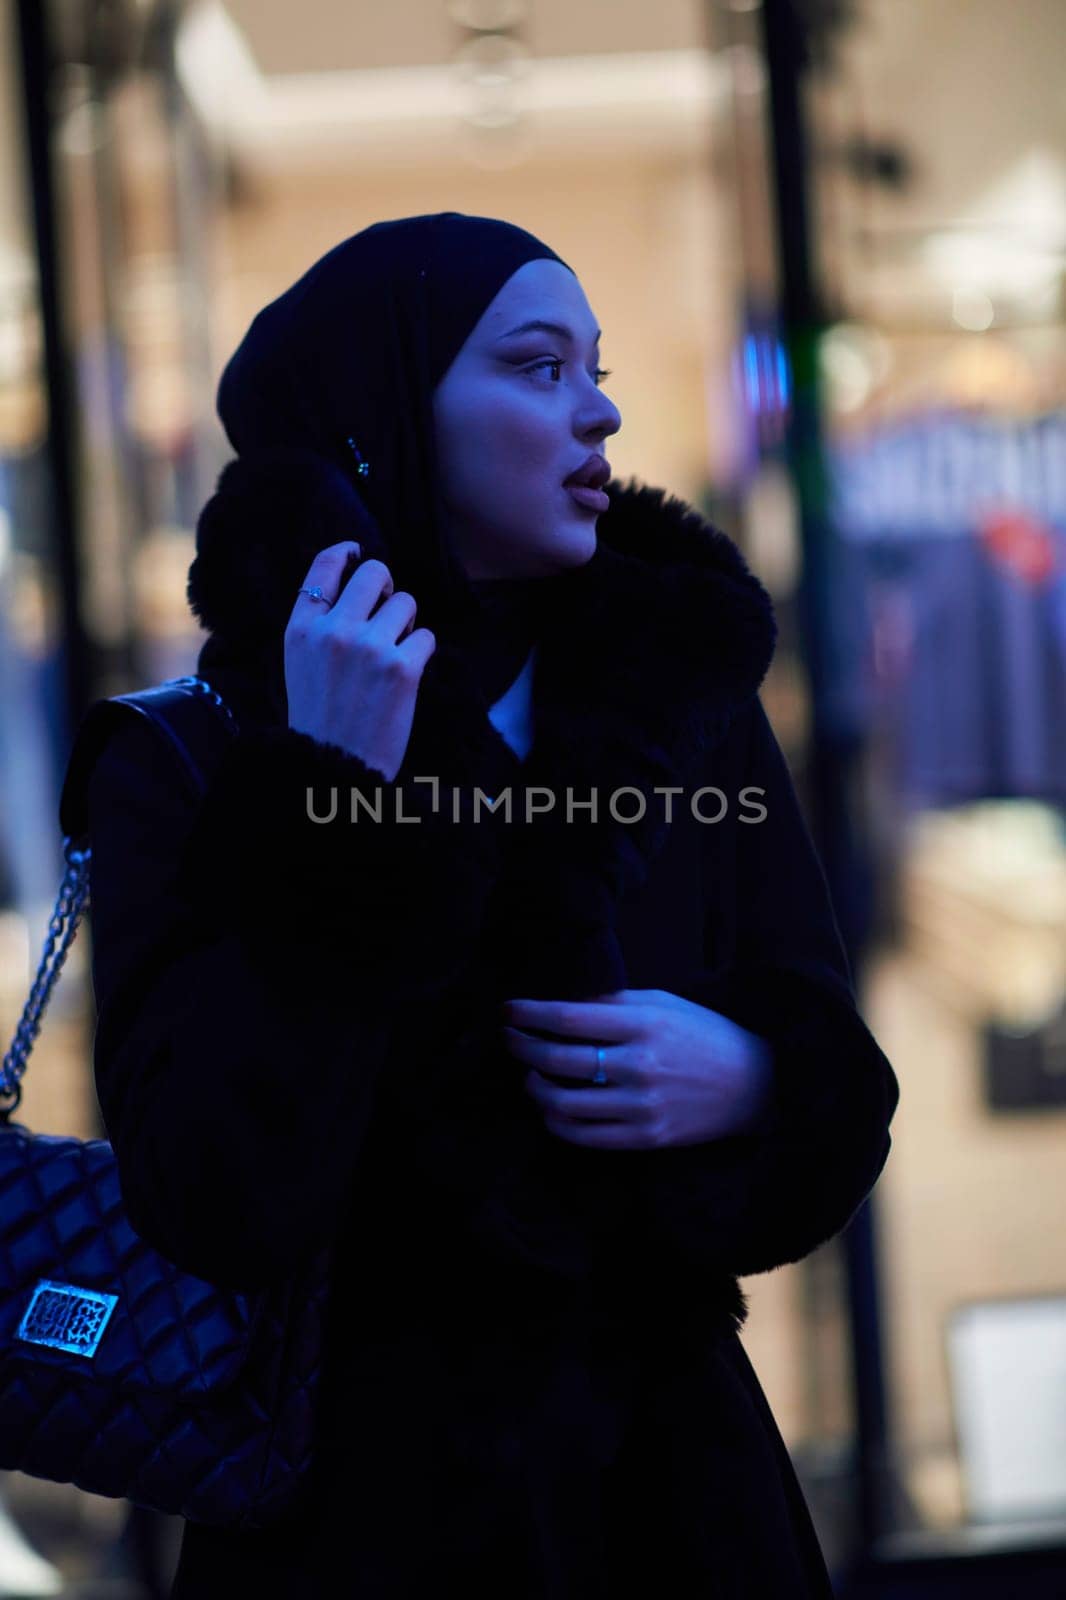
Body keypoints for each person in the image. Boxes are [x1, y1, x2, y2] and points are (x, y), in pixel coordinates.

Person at [85, 212, 900, 1597]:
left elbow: (831, 1054)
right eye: (535, 368)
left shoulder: (677, 703)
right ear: (380, 419)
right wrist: (326, 785)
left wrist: (757, 1075)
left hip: (675, 1500)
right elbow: (207, 1190)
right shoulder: (202, 747)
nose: (600, 411)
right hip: (343, 1509)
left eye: (595, 366)